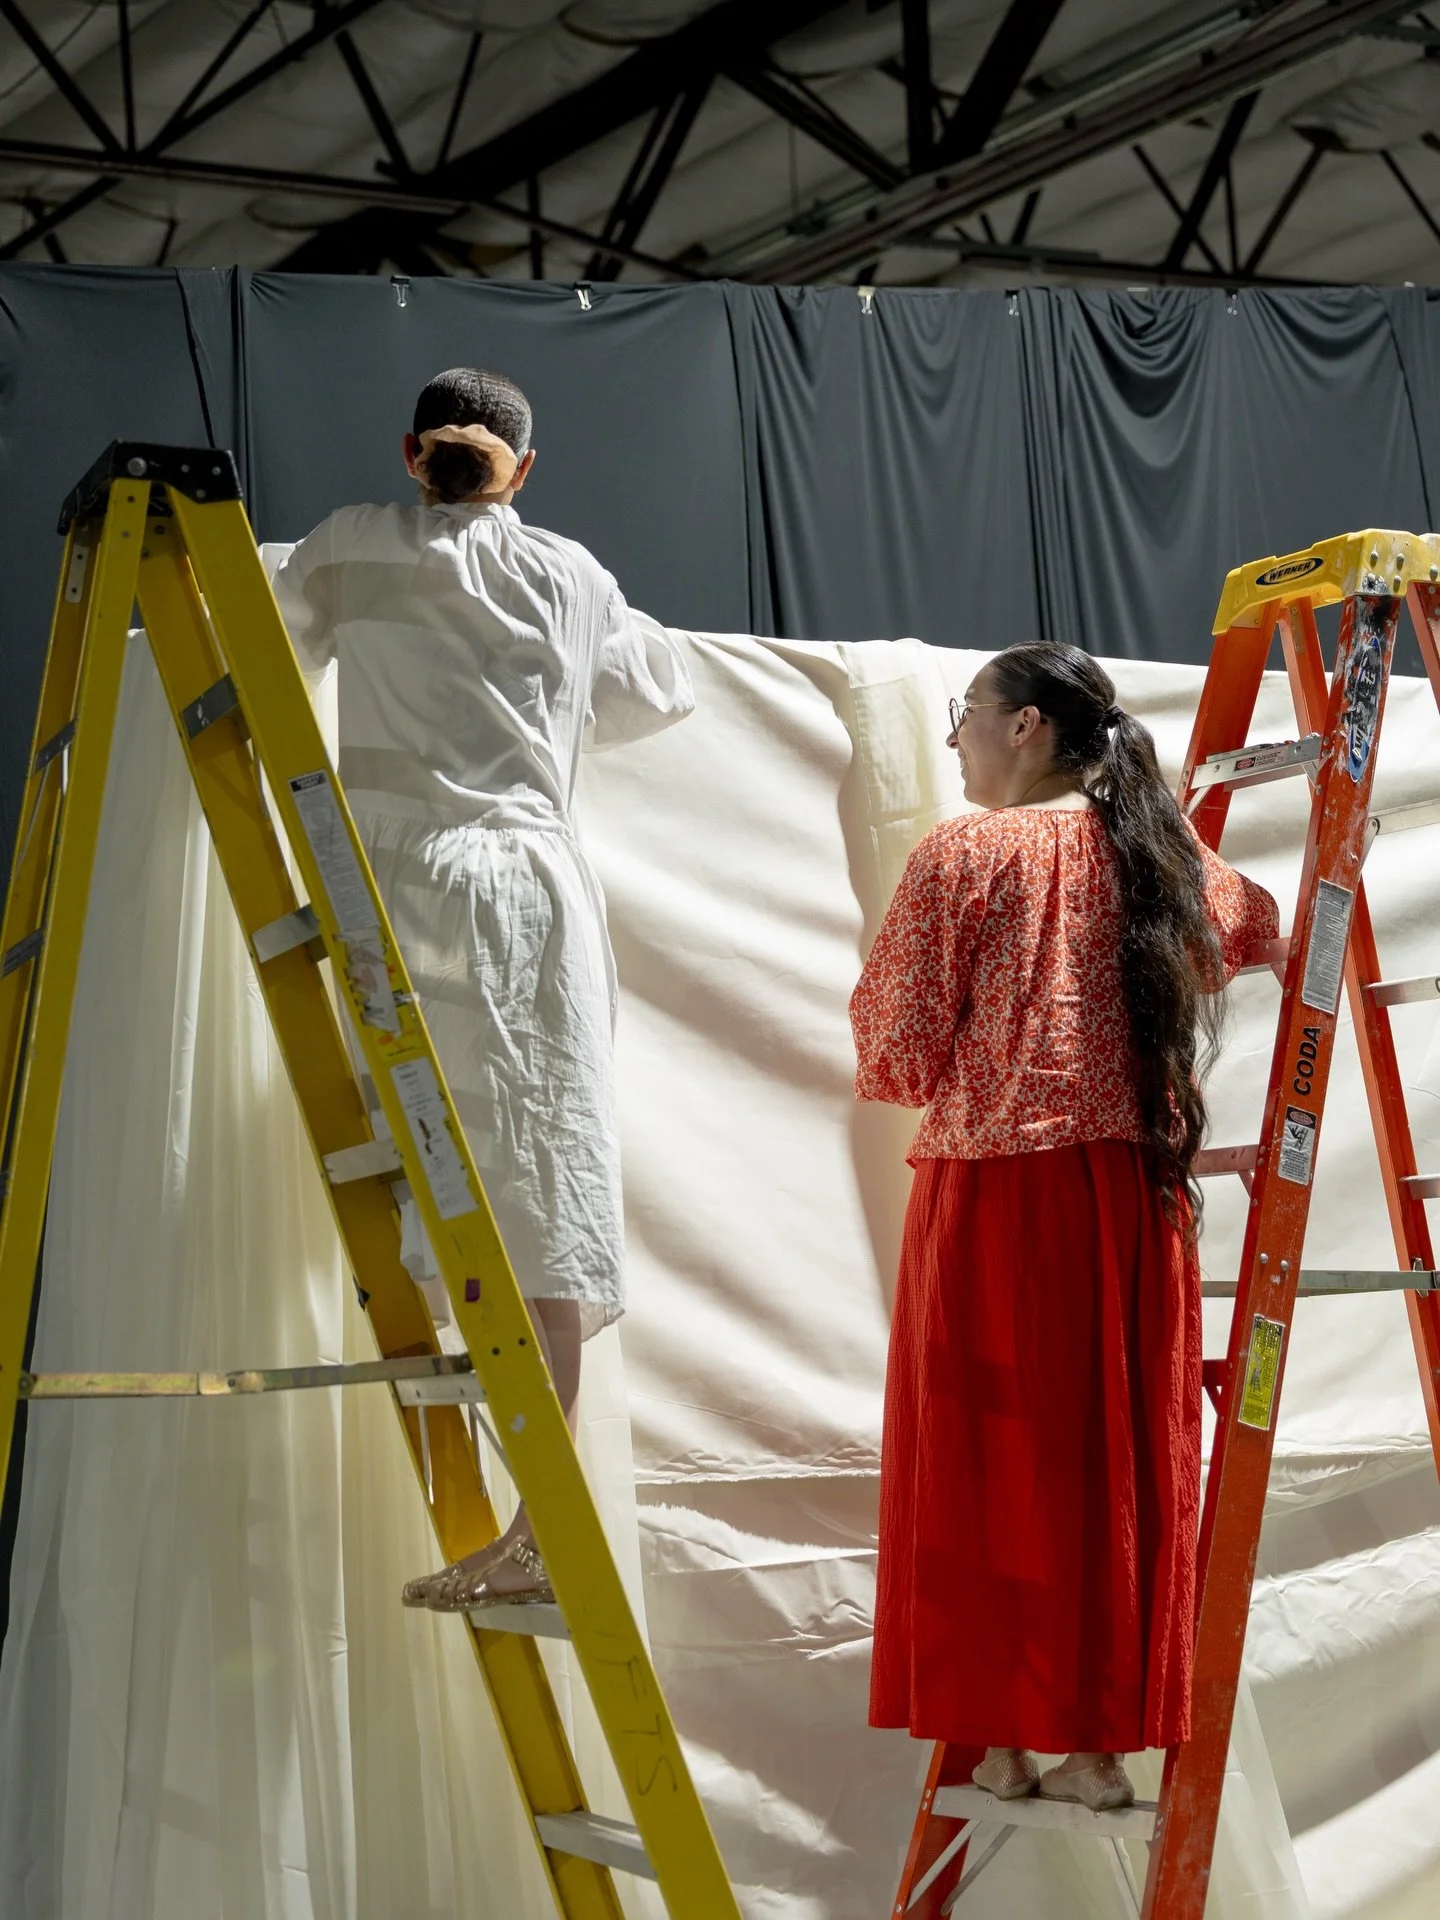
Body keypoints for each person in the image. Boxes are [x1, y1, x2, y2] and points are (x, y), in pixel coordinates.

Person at [272, 367, 693, 1609]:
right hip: (524, 898)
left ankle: (542, 1534)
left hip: (401, 898)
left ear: (411, 452)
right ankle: (538, 1522)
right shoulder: (571, 573)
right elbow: (661, 690)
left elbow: (278, 647)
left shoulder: (344, 548)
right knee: (537, 1196)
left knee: (456, 1179)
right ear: (526, 465)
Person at [850, 642, 1277, 1812]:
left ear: (1028, 725)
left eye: (967, 716)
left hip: (994, 1197)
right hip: (1131, 1198)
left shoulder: (966, 852)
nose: (957, 739)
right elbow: (1258, 927)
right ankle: (1098, 1747)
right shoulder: (1156, 848)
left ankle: (997, 1738)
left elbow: (894, 1052)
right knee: (1114, 1462)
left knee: (986, 1463)